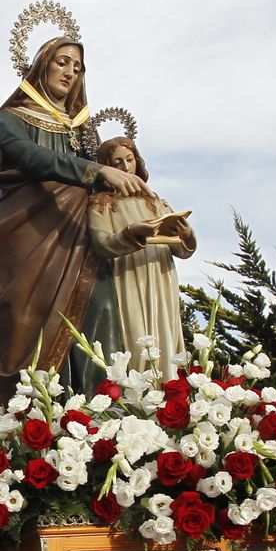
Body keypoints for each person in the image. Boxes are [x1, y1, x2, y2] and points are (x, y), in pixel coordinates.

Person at [0, 35, 178, 400]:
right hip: (32, 235)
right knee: (25, 324)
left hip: (84, 240)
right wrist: (93, 172)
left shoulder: (82, 130)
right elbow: (30, 157)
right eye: (63, 62)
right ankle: (36, 421)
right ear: (42, 65)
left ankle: (98, 420)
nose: (70, 72)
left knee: (100, 316)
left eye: (78, 67)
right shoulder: (11, 119)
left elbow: (109, 177)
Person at [89, 135, 197, 374]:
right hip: (128, 276)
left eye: (129, 159)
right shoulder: (101, 204)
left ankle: (168, 391)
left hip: (160, 273)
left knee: (164, 333)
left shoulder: (154, 201)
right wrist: (130, 233)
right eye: (117, 163)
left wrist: (186, 234)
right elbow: (101, 243)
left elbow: (181, 249)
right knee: (135, 336)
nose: (126, 168)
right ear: (106, 168)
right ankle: (138, 398)